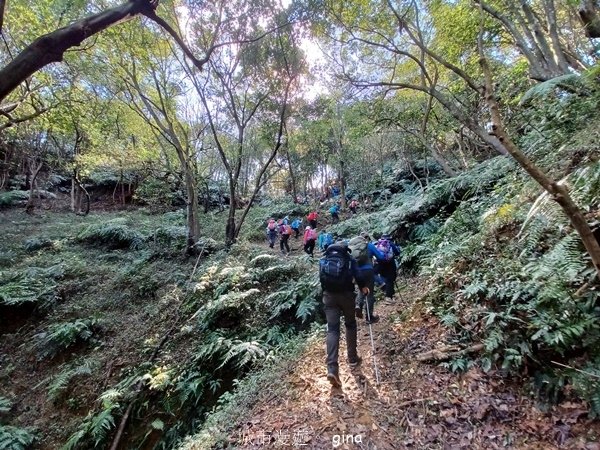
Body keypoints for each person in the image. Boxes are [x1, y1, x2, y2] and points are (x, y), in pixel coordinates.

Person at [319, 241, 369, 387]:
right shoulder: (348, 259)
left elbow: (321, 280)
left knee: (332, 330)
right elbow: (358, 275)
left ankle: (332, 369)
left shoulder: (323, 260)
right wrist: (363, 288)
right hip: (346, 296)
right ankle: (352, 359)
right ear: (344, 250)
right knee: (350, 325)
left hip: (329, 297)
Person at [349, 232, 385, 324]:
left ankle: (358, 305)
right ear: (366, 238)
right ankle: (369, 317)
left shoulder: (352, 248)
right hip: (368, 271)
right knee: (369, 294)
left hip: (356, 272)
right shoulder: (369, 246)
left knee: (362, 289)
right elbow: (380, 257)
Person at [374, 234, 401, 303]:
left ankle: (390, 293)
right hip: (390, 264)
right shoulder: (391, 243)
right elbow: (397, 253)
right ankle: (388, 297)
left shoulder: (377, 244)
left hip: (380, 264)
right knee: (390, 279)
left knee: (384, 278)